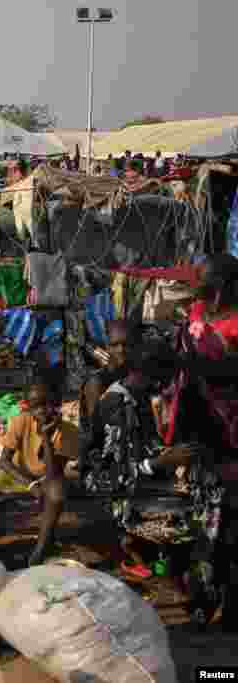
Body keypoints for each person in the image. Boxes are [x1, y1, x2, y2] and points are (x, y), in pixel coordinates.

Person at [163, 254, 238, 629]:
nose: (196, 287)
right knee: (195, 519)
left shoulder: (236, 323)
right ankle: (201, 596)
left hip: (228, 431)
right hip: (194, 429)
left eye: (203, 281)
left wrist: (197, 368)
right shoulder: (195, 312)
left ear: (222, 285)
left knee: (223, 521)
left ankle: (221, 601)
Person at [80, 340, 189, 579]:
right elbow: (117, 473)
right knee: (187, 519)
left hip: (131, 477)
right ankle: (127, 541)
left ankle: (143, 543)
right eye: (165, 377)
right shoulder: (117, 405)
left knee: (191, 493)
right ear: (150, 374)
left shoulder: (138, 398)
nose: (167, 384)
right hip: (110, 487)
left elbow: (143, 448)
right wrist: (161, 463)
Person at [0, 374, 77, 566]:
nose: (42, 411)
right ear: (28, 407)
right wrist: (29, 484)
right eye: (36, 406)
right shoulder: (21, 421)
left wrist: (46, 437)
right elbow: (4, 462)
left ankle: (40, 552)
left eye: (47, 404)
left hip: (48, 478)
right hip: (16, 475)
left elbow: (52, 473)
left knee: (57, 493)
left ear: (57, 403)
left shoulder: (69, 432)